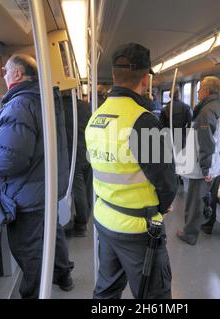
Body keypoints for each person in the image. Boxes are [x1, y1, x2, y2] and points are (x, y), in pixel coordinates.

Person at [85, 43, 177, 299]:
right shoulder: (144, 121)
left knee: (106, 290)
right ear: (146, 79)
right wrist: (163, 205)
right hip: (138, 229)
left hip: (105, 218)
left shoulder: (96, 118)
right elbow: (166, 181)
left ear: (114, 76)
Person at [0, 54, 74, 298]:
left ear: (18, 74)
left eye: (5, 71)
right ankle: (63, 275)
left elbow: (11, 159)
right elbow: (32, 146)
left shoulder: (19, 105)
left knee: (27, 251)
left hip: (28, 196)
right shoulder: (45, 100)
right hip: (46, 186)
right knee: (52, 235)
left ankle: (31, 294)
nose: (3, 75)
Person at [176, 76, 220, 245]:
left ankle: (189, 234)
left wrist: (206, 170)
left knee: (195, 200)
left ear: (206, 91)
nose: (198, 92)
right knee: (209, 197)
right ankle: (207, 225)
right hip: (219, 164)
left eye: (199, 89)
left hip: (204, 166)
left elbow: (206, 144)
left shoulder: (205, 112)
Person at [63, 93, 93, 237]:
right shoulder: (85, 106)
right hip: (89, 151)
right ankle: (86, 217)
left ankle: (81, 224)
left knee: (79, 190)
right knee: (87, 188)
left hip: (74, 154)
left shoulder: (60, 108)